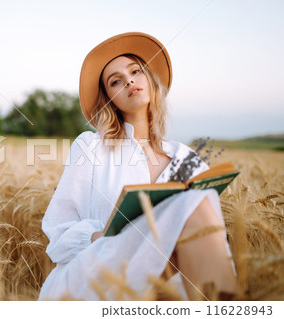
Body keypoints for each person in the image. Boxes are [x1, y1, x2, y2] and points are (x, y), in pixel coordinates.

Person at [38, 32, 241, 301]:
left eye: (136, 71)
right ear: (108, 98)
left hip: (173, 272)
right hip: (100, 270)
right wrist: (103, 237)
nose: (129, 81)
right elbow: (59, 229)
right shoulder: (91, 146)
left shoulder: (185, 156)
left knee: (200, 202)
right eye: (115, 81)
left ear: (150, 80)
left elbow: (209, 231)